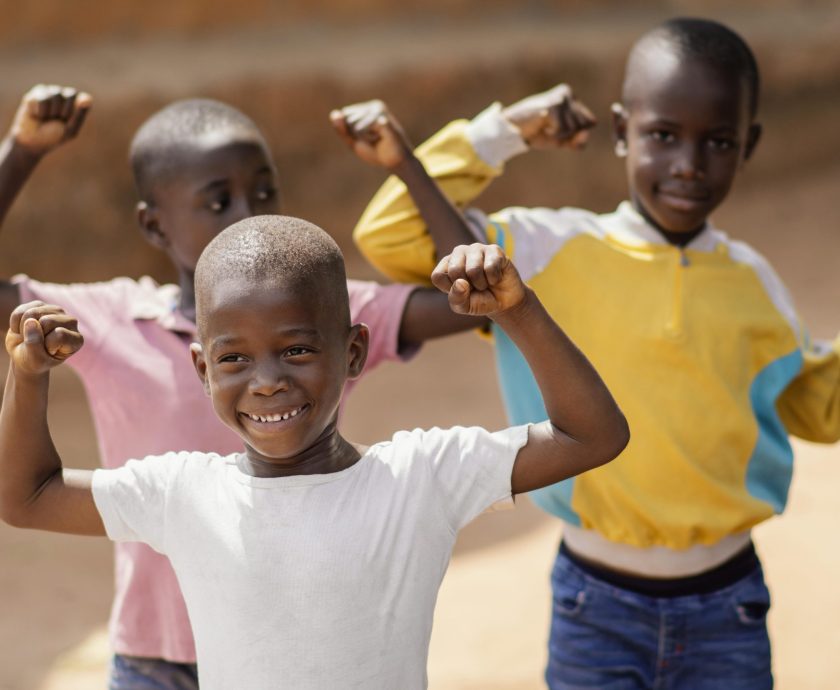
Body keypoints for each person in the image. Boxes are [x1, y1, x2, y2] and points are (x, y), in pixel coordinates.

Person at [335, 17, 840, 690]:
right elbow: (390, 233)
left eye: (717, 142)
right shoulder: (546, 252)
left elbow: (821, 408)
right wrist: (504, 130)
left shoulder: (755, 284)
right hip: (595, 604)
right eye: (663, 135)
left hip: (729, 605)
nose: (689, 163)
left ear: (747, 146)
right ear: (622, 129)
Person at [0, 214, 629, 689]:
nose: (267, 380)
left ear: (352, 352)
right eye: (233, 359)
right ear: (202, 368)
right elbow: (27, 498)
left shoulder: (419, 479)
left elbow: (594, 435)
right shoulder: (185, 494)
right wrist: (28, 376)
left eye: (297, 349)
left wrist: (518, 311)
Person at [0, 88, 482, 689]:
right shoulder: (112, 318)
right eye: (218, 200)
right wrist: (20, 152)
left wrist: (404, 163)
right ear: (153, 224)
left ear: (348, 345)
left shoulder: (328, 308)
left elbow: (470, 304)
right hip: (158, 658)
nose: (247, 215)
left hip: (294, 651)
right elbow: (26, 496)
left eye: (263, 192)